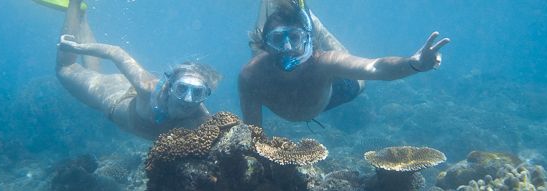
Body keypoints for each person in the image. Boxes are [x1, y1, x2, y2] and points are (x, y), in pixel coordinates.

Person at [239, 0, 451, 127]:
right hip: (270, 61)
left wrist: (412, 64)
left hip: (335, 94)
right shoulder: (251, 75)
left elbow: (374, 67)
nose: (287, 48)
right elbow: (253, 132)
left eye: (295, 38)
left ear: (307, 41)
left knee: (359, 80)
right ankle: (296, 17)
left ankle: (310, 21)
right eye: (277, 40)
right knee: (265, 34)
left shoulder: (324, 62)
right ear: (266, 45)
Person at [47, 0, 221, 140]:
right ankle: (74, 3)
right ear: (170, 87)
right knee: (65, 68)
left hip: (126, 95)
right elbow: (116, 52)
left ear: (205, 94)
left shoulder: (199, 110)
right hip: (112, 96)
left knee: (95, 71)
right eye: (182, 89)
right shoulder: (148, 87)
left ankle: (81, 16)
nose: (188, 99)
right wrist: (77, 48)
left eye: (198, 93)